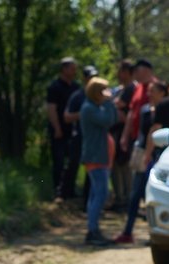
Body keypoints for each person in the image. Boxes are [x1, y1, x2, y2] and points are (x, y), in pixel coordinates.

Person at [115, 80, 169, 244]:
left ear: (162, 93)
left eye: (153, 90)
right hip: (144, 158)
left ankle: (158, 233)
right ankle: (128, 231)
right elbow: (141, 134)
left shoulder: (167, 110)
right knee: (136, 194)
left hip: (158, 159)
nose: (149, 94)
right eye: (149, 91)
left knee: (154, 197)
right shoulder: (145, 110)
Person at [79, 77, 118, 246]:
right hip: (96, 158)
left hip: (100, 158)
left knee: (96, 194)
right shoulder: (89, 109)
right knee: (100, 194)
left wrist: (109, 104)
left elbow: (113, 119)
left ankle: (93, 229)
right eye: (104, 91)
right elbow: (107, 120)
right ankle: (92, 231)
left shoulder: (94, 107)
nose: (107, 93)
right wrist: (110, 102)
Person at [64, 65, 100, 210]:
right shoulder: (77, 95)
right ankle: (65, 194)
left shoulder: (99, 96)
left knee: (91, 171)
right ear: (84, 79)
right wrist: (85, 115)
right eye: (90, 77)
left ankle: (88, 201)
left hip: (94, 139)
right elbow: (67, 117)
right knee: (72, 164)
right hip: (79, 136)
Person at [46, 57, 81, 202]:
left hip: (73, 132)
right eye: (72, 69)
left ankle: (70, 190)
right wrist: (57, 128)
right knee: (59, 162)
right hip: (59, 131)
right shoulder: (54, 87)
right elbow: (51, 109)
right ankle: (58, 192)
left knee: (73, 162)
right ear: (64, 69)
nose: (75, 72)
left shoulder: (76, 87)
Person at [110, 59, 136, 214]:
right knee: (117, 166)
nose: (118, 74)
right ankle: (120, 197)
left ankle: (126, 199)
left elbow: (120, 106)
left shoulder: (131, 89)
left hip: (124, 133)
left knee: (124, 166)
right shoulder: (119, 90)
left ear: (126, 72)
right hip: (116, 133)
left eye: (120, 71)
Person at [119, 59, 156, 156]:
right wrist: (125, 135)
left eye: (136, 71)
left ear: (145, 71)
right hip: (135, 136)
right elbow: (131, 112)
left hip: (147, 137)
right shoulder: (138, 87)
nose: (134, 74)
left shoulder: (155, 88)